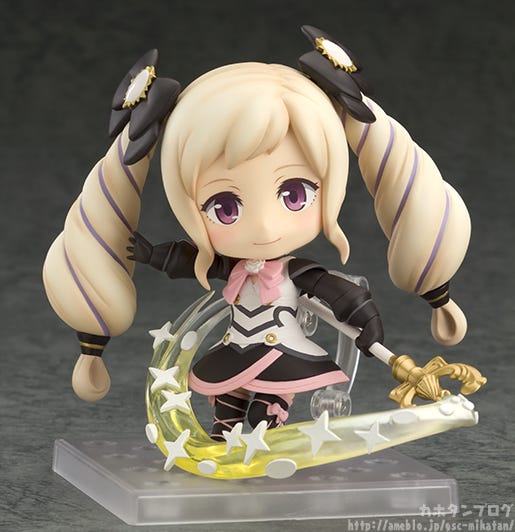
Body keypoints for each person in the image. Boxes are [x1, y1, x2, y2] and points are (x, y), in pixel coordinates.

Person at [43, 27, 470, 441]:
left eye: (294, 195)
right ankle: (225, 433)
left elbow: (341, 294)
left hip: (285, 351)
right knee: (227, 398)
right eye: (224, 208)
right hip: (237, 346)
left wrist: (366, 321)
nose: (265, 227)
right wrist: (155, 255)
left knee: (268, 401)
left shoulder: (295, 272)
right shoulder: (230, 266)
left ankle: (269, 427)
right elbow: (186, 261)